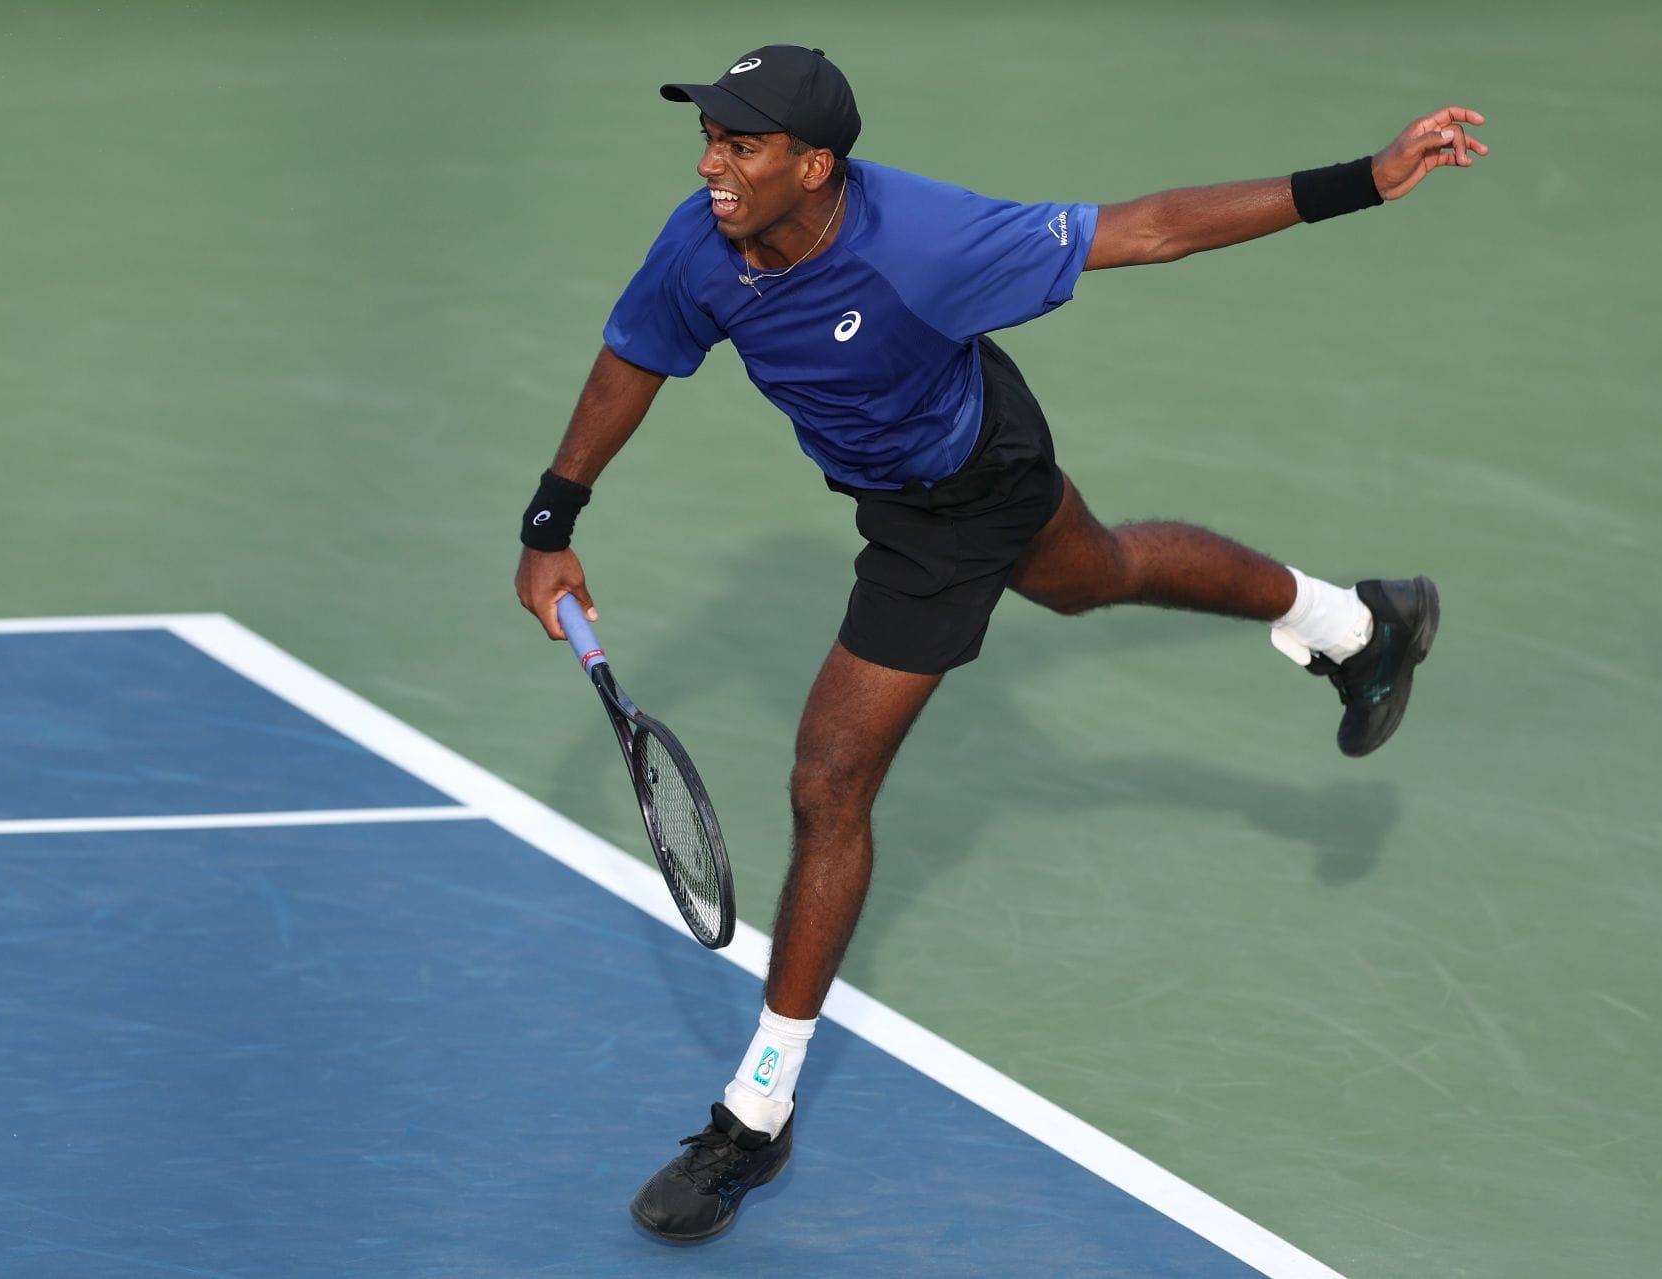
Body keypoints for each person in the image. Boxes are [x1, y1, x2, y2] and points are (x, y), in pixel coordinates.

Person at [514, 44, 1485, 1243]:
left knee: (828, 779)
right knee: (1100, 577)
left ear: (815, 167)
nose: (713, 164)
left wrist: (1368, 180)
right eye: (709, 138)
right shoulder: (701, 242)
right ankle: (1354, 619)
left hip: (962, 496)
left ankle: (753, 1115)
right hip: (922, 482)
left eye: (743, 144)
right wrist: (553, 517)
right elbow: (635, 354)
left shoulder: (926, 244)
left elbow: (1154, 229)